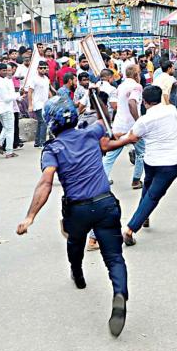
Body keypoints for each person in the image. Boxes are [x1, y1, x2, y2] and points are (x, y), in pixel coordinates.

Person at [16, 96, 135, 337]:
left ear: (51, 123)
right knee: (114, 257)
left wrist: (30, 216)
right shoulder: (91, 133)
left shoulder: (53, 149)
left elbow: (45, 183)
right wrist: (97, 98)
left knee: (75, 242)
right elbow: (105, 120)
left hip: (78, 209)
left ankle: (78, 274)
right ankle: (119, 292)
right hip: (105, 204)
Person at [121, 86, 177, 246]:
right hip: (170, 163)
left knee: (148, 190)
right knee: (153, 195)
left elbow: (132, 137)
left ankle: (143, 216)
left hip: (152, 161)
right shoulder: (171, 110)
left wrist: (119, 137)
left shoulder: (144, 120)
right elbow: (167, 102)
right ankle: (130, 228)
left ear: (145, 102)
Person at [103, 64, 144, 187]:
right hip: (132, 127)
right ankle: (136, 180)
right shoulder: (137, 87)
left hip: (119, 125)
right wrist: (138, 121)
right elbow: (132, 103)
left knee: (110, 156)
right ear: (136, 74)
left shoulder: (121, 86)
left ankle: (102, 180)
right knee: (141, 153)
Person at [0, 62, 20, 158]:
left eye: (6, 70)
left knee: (6, 127)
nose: (5, 72)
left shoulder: (0, 81)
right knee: (10, 130)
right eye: (3, 70)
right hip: (5, 108)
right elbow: (6, 98)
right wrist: (18, 95)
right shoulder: (0, 82)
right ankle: (9, 151)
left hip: (0, 109)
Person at [27, 61, 52, 147]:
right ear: (37, 68)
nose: (43, 69)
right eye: (41, 68)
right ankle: (42, 142)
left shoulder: (46, 79)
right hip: (37, 104)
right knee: (43, 122)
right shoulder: (34, 79)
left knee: (40, 123)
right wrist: (30, 105)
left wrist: (52, 100)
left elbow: (48, 91)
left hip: (45, 104)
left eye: (45, 68)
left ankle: (37, 142)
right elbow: (29, 92)